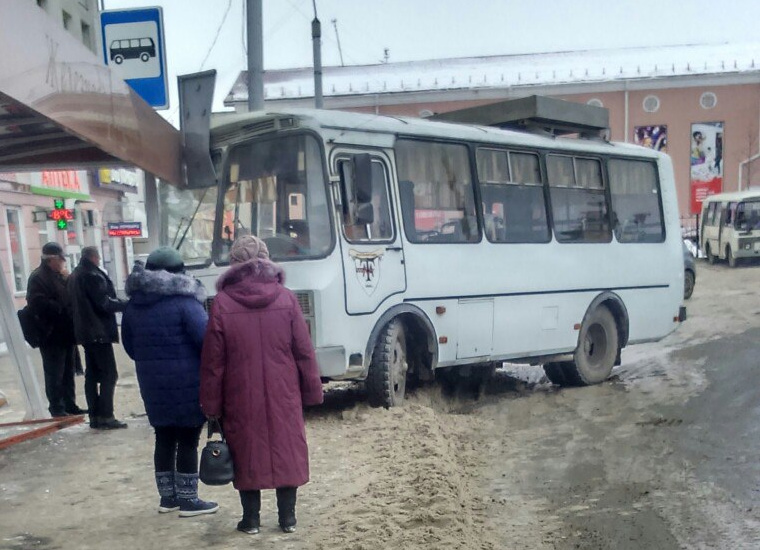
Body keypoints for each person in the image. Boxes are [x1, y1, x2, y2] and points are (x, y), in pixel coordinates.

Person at [200, 235, 323, 535]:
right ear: (268, 261)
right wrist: (312, 391)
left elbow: (213, 364)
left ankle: (251, 520)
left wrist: (211, 405)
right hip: (284, 392)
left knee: (245, 451)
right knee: (286, 448)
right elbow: (303, 351)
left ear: (234, 265)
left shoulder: (223, 304)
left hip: (239, 395)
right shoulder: (286, 298)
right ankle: (288, 519)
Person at [121, 248, 218, 517]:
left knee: (163, 437)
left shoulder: (133, 306)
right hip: (186, 381)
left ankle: (168, 498)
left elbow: (130, 347)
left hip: (151, 383)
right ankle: (189, 500)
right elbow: (206, 342)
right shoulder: (186, 304)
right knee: (187, 437)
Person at [68, 246, 127, 430]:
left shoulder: (75, 275)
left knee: (92, 375)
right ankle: (106, 415)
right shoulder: (92, 275)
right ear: (94, 257)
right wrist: (126, 305)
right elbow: (104, 303)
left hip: (85, 333)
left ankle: (94, 415)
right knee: (109, 374)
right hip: (98, 332)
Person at [25, 242, 85, 417]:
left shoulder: (59, 276)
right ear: (51, 259)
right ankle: (57, 407)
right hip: (51, 333)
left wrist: (67, 281)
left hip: (66, 333)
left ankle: (69, 404)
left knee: (68, 370)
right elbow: (36, 302)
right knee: (54, 373)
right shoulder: (38, 277)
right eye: (60, 259)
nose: (63, 262)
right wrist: (60, 307)